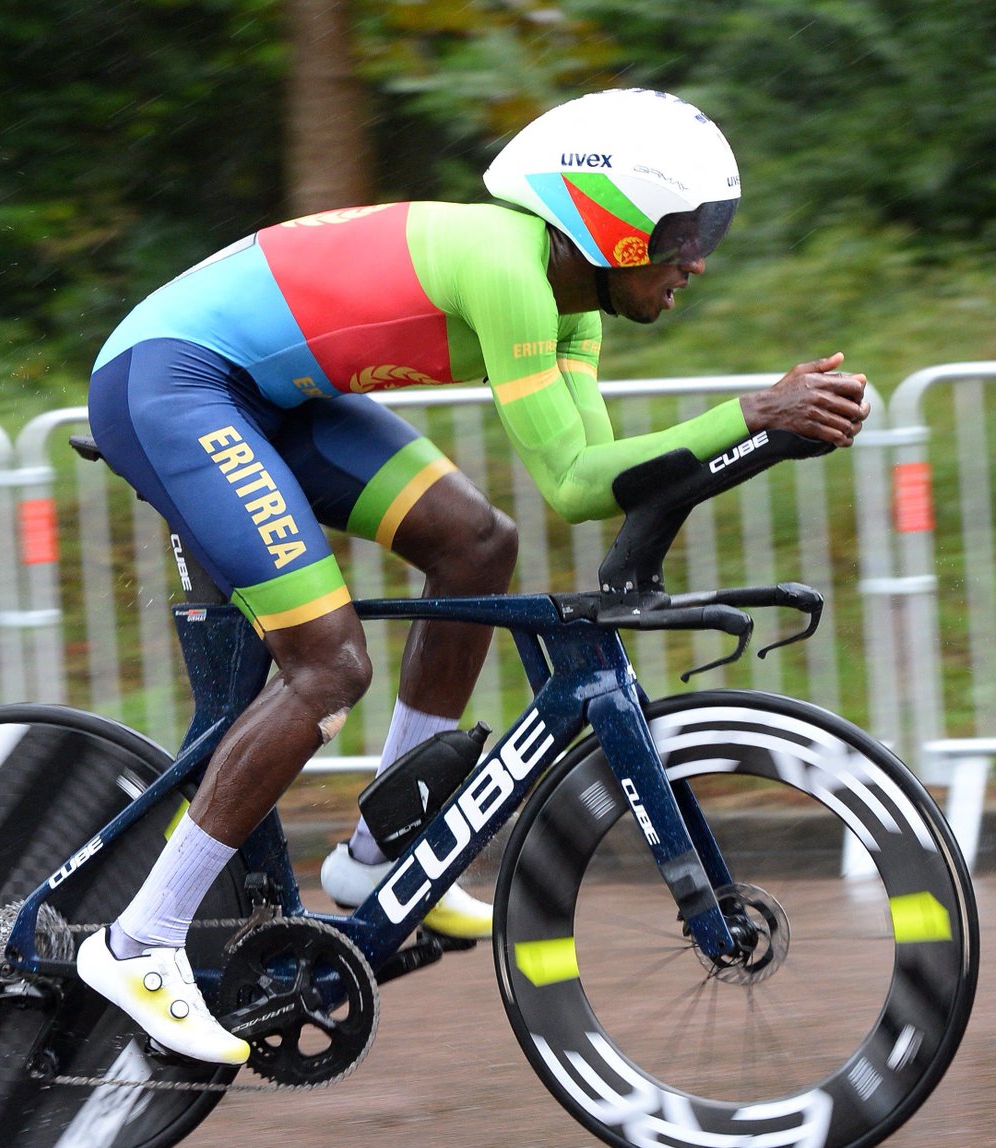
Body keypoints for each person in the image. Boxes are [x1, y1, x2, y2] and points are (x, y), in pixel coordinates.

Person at [76, 88, 870, 1063]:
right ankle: (138, 943)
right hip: (174, 381)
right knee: (327, 666)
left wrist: (755, 433)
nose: (697, 260)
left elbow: (592, 479)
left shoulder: (574, 308)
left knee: (477, 545)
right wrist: (750, 413)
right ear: (609, 223)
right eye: (681, 234)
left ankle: (381, 853)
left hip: (270, 397)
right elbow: (577, 481)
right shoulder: (508, 268)